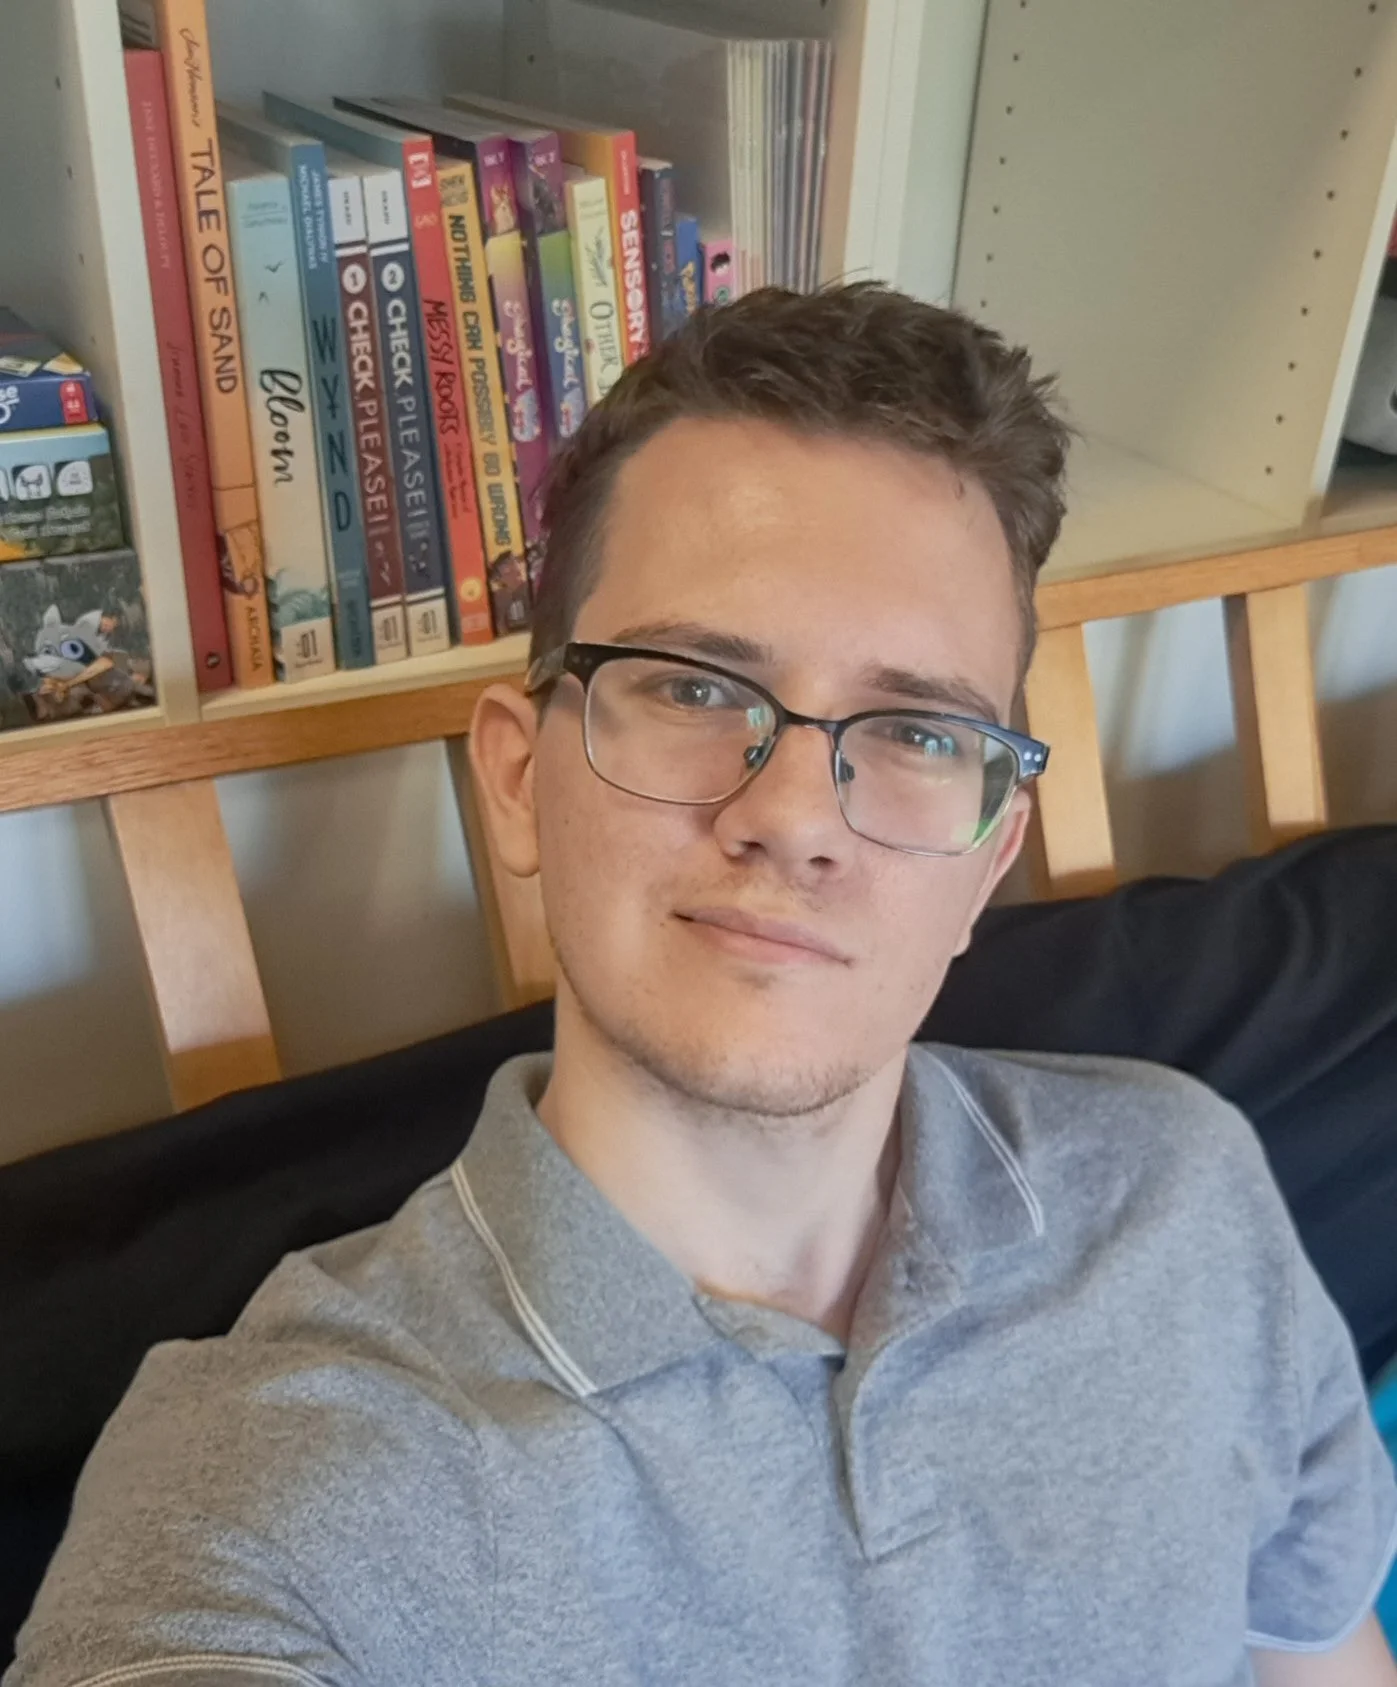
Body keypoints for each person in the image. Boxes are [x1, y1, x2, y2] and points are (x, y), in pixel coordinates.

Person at [8, 284, 1396, 1687]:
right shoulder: (278, 1478)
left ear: (989, 859)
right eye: (692, 687)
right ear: (518, 780)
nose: (792, 815)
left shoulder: (1187, 1194)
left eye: (917, 731)